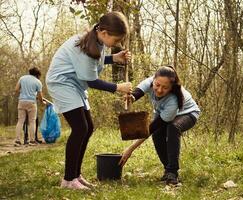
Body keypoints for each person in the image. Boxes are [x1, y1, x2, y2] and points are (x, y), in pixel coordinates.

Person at [46, 12, 132, 190]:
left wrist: (114, 58)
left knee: (88, 127)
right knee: (80, 128)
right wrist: (118, 87)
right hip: (61, 83)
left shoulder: (96, 39)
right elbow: (91, 80)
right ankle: (68, 180)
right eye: (116, 40)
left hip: (74, 83)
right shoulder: (84, 44)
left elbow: (94, 60)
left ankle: (75, 175)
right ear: (105, 33)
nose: (117, 44)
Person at [119, 66, 201, 185]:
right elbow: (137, 93)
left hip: (188, 113)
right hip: (164, 113)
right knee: (157, 135)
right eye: (157, 85)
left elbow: (150, 129)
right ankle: (168, 170)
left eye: (165, 87)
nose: (159, 90)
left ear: (171, 87)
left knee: (172, 128)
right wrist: (131, 98)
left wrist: (130, 149)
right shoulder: (150, 82)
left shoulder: (173, 100)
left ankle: (172, 172)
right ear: (154, 80)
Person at [14, 67, 45, 146]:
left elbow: (16, 89)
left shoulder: (22, 78)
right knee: (32, 121)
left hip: (22, 101)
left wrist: (23, 93)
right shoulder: (38, 82)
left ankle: (17, 141)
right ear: (37, 74)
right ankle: (32, 141)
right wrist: (42, 102)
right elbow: (40, 96)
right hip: (31, 102)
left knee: (20, 121)